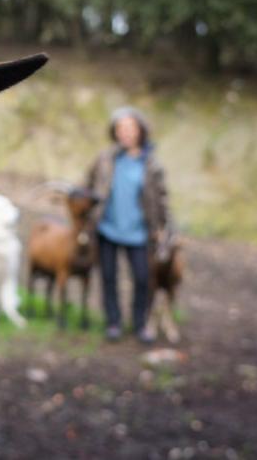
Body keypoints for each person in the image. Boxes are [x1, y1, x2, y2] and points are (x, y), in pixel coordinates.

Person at [86, 106, 172, 343]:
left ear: (140, 131)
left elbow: (162, 198)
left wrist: (162, 227)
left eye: (129, 128)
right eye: (120, 128)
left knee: (143, 279)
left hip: (138, 232)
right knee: (108, 277)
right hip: (107, 229)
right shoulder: (106, 159)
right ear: (114, 132)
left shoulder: (151, 164)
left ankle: (140, 324)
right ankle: (113, 322)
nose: (124, 133)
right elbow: (88, 186)